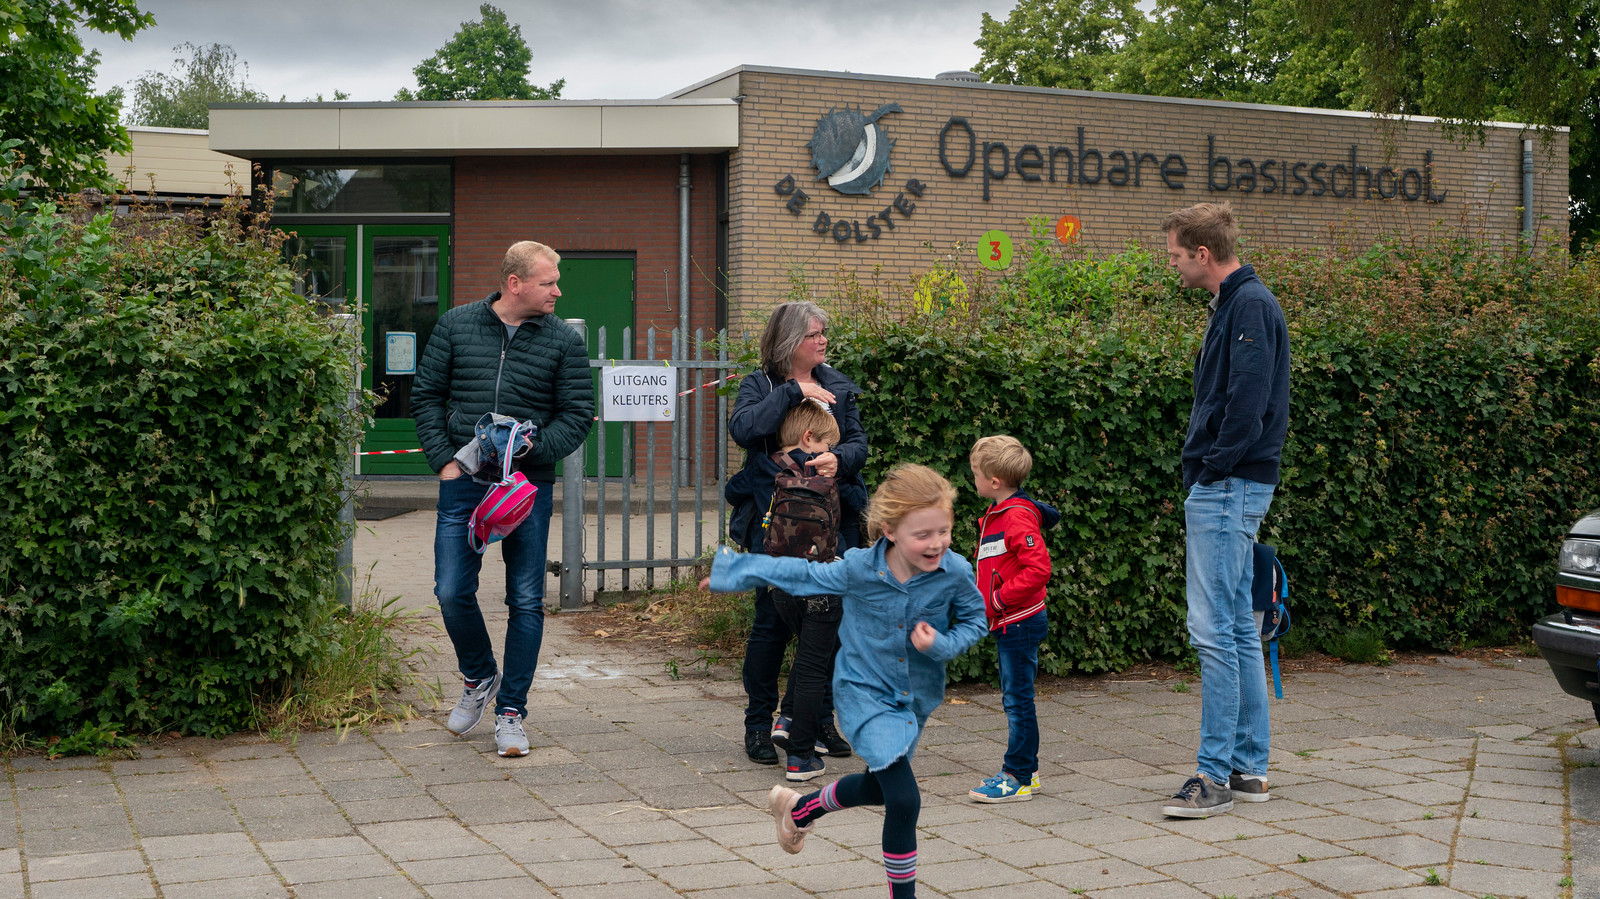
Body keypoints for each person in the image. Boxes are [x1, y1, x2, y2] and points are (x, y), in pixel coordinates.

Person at [703, 464, 987, 899]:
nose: (937, 543)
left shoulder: (955, 572)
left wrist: (942, 644)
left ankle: (801, 809)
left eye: (943, 531)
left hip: (913, 698)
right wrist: (734, 572)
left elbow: (975, 621)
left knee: (879, 787)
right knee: (905, 800)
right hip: (863, 693)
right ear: (890, 531)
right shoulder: (858, 568)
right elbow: (804, 575)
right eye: (923, 534)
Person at [412, 241, 594, 758]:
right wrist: (444, 462)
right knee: (451, 591)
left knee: (527, 599)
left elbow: (577, 414)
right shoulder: (456, 325)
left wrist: (532, 449)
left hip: (526, 488)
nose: (558, 291)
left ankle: (511, 711)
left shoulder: (563, 340)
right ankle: (479, 677)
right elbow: (426, 396)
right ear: (515, 284)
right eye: (548, 282)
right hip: (465, 479)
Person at [1159, 202, 1291, 818]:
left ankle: (1212, 776)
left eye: (1176, 255)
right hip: (1232, 483)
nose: (1173, 265)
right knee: (1237, 625)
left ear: (1203, 253)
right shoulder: (1237, 304)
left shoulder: (1250, 305)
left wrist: (1213, 467)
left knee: (1212, 630)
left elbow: (1248, 402)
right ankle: (1248, 769)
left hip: (1228, 486)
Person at [726, 300, 868, 765]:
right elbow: (744, 430)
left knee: (828, 626)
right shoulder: (760, 385)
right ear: (789, 340)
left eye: (824, 332)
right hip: (776, 527)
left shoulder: (838, 385)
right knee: (771, 625)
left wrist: (837, 459)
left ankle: (814, 719)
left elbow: (858, 444)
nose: (823, 340)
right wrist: (792, 392)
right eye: (814, 334)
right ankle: (758, 724)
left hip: (831, 523)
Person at [755, 400, 847, 782]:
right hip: (821, 585)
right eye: (827, 445)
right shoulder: (824, 474)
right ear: (809, 438)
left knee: (809, 656)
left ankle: (787, 718)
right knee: (813, 665)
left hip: (781, 586)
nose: (830, 454)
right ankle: (801, 756)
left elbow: (735, 491)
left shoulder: (770, 468)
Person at [965, 436, 1059, 803]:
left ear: (994, 481)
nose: (972, 478)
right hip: (1009, 621)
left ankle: (1016, 775)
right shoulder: (999, 512)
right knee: (1017, 698)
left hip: (1019, 621)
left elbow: (1039, 569)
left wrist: (998, 599)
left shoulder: (1015, 516)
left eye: (975, 473)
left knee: (1018, 701)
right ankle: (1027, 771)